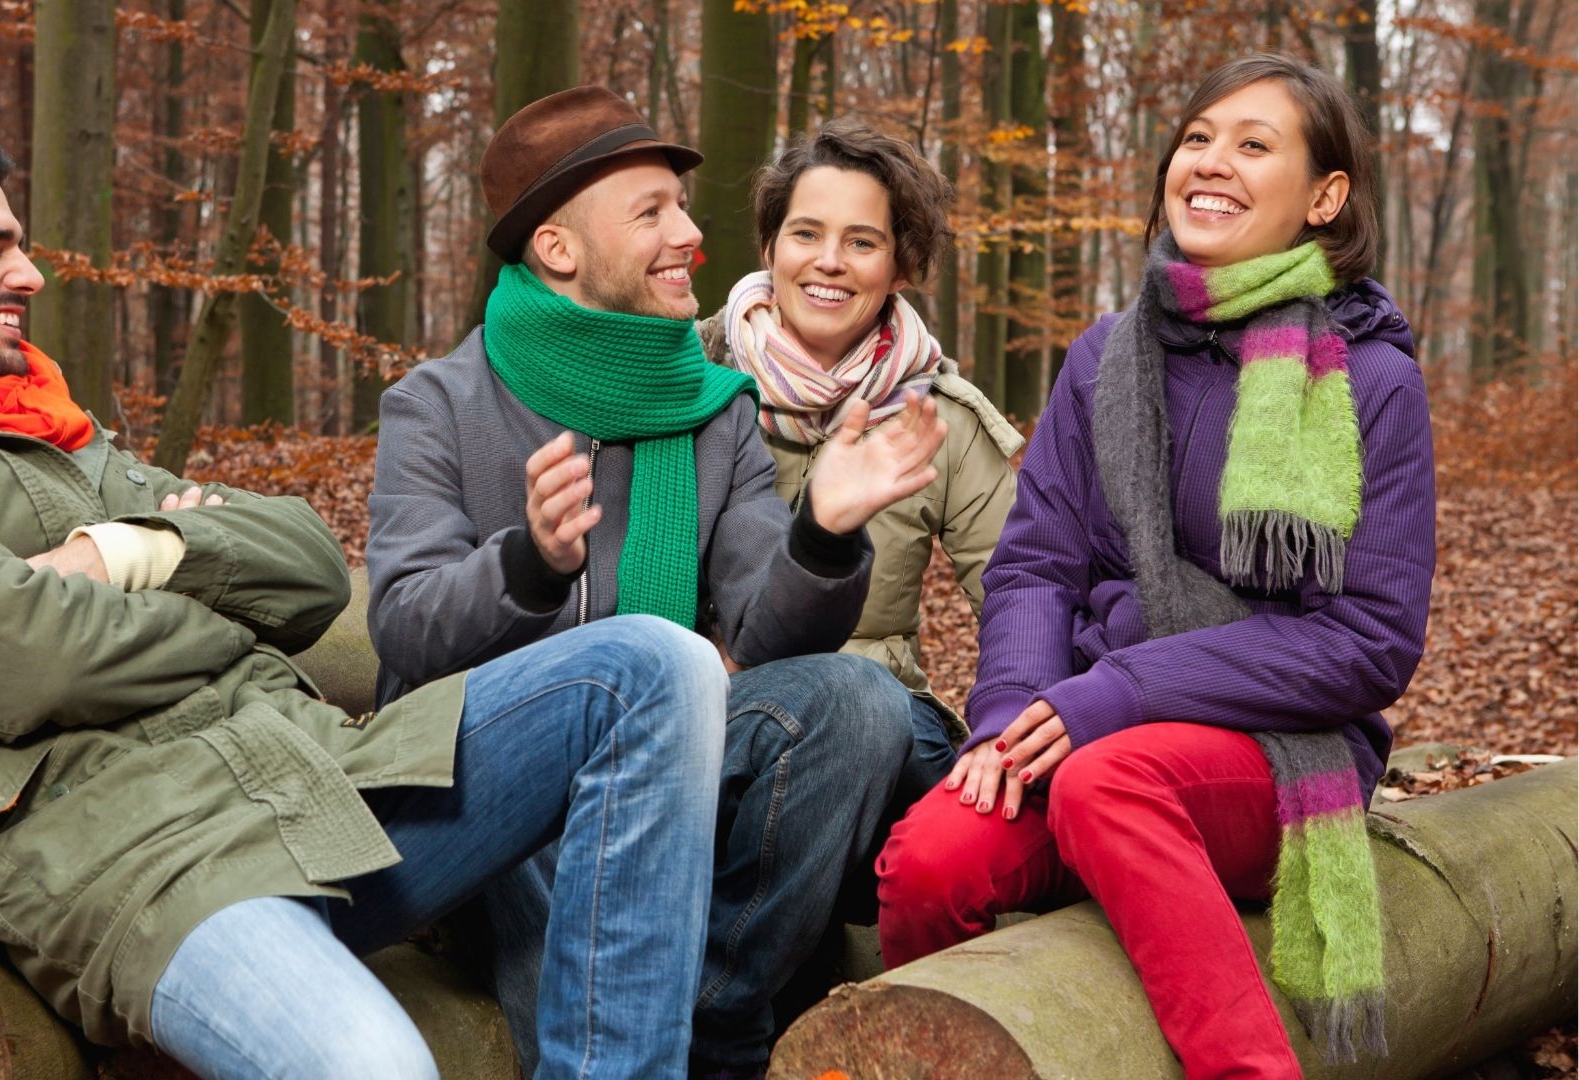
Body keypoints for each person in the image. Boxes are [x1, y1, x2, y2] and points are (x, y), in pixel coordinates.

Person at [0, 117, 737, 1079]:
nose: (30, 271)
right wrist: (204, 586)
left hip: (313, 776)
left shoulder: (46, 429)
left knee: (655, 665)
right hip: (133, 858)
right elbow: (26, 659)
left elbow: (304, 563)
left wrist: (118, 553)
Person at [366, 86, 948, 1077]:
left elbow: (767, 631)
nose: (692, 234)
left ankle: (716, 1012)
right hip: (500, 789)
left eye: (683, 205)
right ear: (557, 249)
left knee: (857, 702)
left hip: (668, 754)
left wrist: (824, 532)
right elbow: (406, 632)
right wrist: (529, 566)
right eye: (653, 212)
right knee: (598, 722)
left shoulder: (714, 412)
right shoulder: (438, 405)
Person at [874, 53, 1435, 1079]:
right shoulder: (1104, 358)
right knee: (931, 860)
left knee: (1106, 783)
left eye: (1254, 145)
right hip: (1088, 715)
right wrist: (1007, 720)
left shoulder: (1373, 382)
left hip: (1276, 752)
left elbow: (1367, 644)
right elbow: (1037, 566)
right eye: (1197, 138)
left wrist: (1124, 691)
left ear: (1326, 196)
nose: (1211, 163)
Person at [694, 118, 1024, 807]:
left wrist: (1009, 724)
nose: (829, 261)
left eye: (862, 242)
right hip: (709, 706)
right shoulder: (689, 380)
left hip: (884, 722)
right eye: (806, 233)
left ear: (900, 266)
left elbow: (1019, 592)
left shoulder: (943, 418)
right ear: (769, 246)